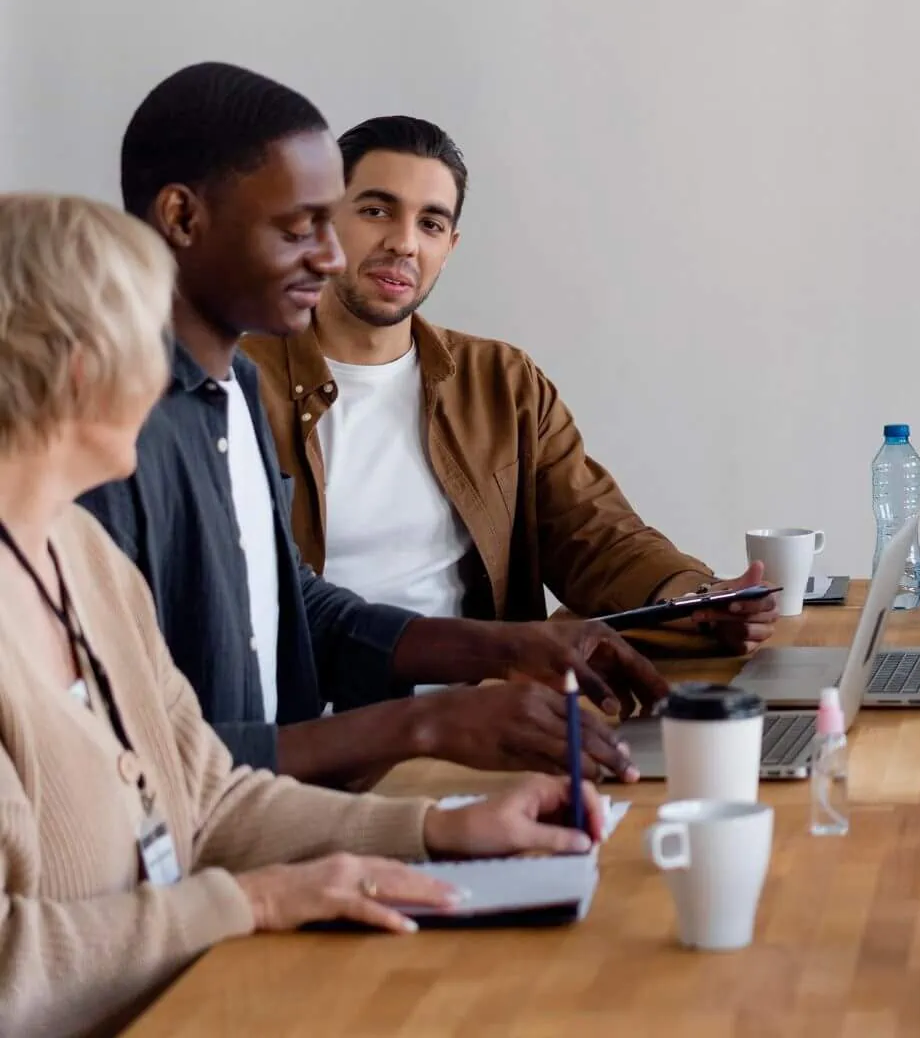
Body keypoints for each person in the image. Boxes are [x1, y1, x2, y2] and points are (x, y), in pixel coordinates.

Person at [0, 192, 603, 1038]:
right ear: (80, 371)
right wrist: (249, 902)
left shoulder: (79, 555)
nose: (175, 371)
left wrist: (439, 828)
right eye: (152, 341)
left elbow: (205, 796)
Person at [78, 63, 665, 788]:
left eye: (331, 224)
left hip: (287, 817)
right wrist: (423, 726)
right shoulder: (106, 432)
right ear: (183, 218)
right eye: (303, 228)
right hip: (212, 861)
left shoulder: (233, 391)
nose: (331, 257)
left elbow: (298, 609)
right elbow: (119, 761)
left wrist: (504, 648)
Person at [241, 115, 774, 648]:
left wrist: (701, 599)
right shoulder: (233, 386)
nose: (404, 243)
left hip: (486, 707)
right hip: (312, 722)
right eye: (377, 211)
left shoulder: (501, 382)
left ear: (448, 247)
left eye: (430, 224)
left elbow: (597, 537)